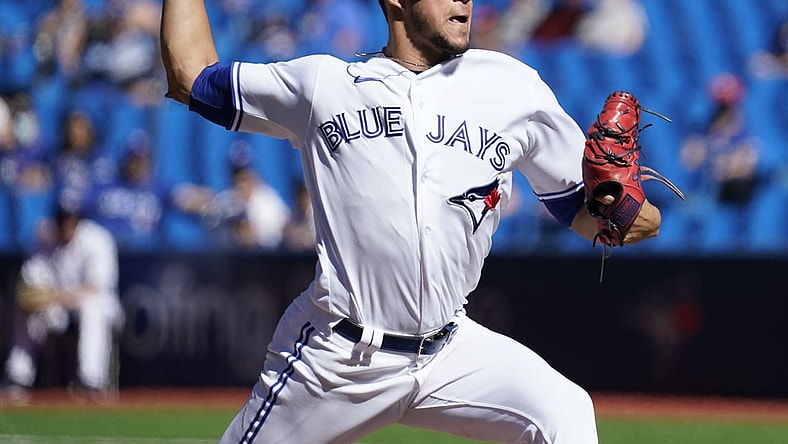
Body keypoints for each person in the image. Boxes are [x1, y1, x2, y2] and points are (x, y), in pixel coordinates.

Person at [160, 0, 662, 442]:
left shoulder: (512, 87)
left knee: (565, 413)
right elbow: (191, 77)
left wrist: (615, 203)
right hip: (339, 357)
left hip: (450, 349)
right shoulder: (324, 85)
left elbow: (601, 221)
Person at [2, 203, 123, 393]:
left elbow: (96, 288)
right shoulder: (43, 237)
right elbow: (32, 286)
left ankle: (91, 380)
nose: (66, 225)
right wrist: (43, 297)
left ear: (78, 222)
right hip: (57, 306)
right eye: (62, 220)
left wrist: (54, 295)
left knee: (91, 308)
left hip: (99, 305)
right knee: (26, 308)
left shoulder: (97, 239)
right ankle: (18, 376)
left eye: (70, 220)